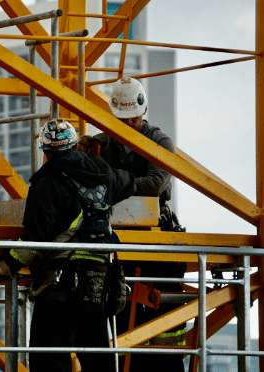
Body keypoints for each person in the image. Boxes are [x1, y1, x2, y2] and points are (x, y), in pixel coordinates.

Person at [0, 119, 136, 372]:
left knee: (49, 357)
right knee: (97, 359)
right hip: (98, 285)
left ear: (46, 152)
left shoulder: (46, 185)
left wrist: (0, 272)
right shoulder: (104, 176)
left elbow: (34, 242)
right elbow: (131, 182)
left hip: (60, 287)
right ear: (74, 146)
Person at [84, 77, 186, 372]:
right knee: (116, 306)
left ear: (143, 111)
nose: (128, 125)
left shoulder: (160, 141)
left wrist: (110, 182)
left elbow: (155, 184)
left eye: (133, 119)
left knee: (162, 311)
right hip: (115, 235)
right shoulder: (102, 143)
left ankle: (165, 366)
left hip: (156, 236)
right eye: (123, 120)